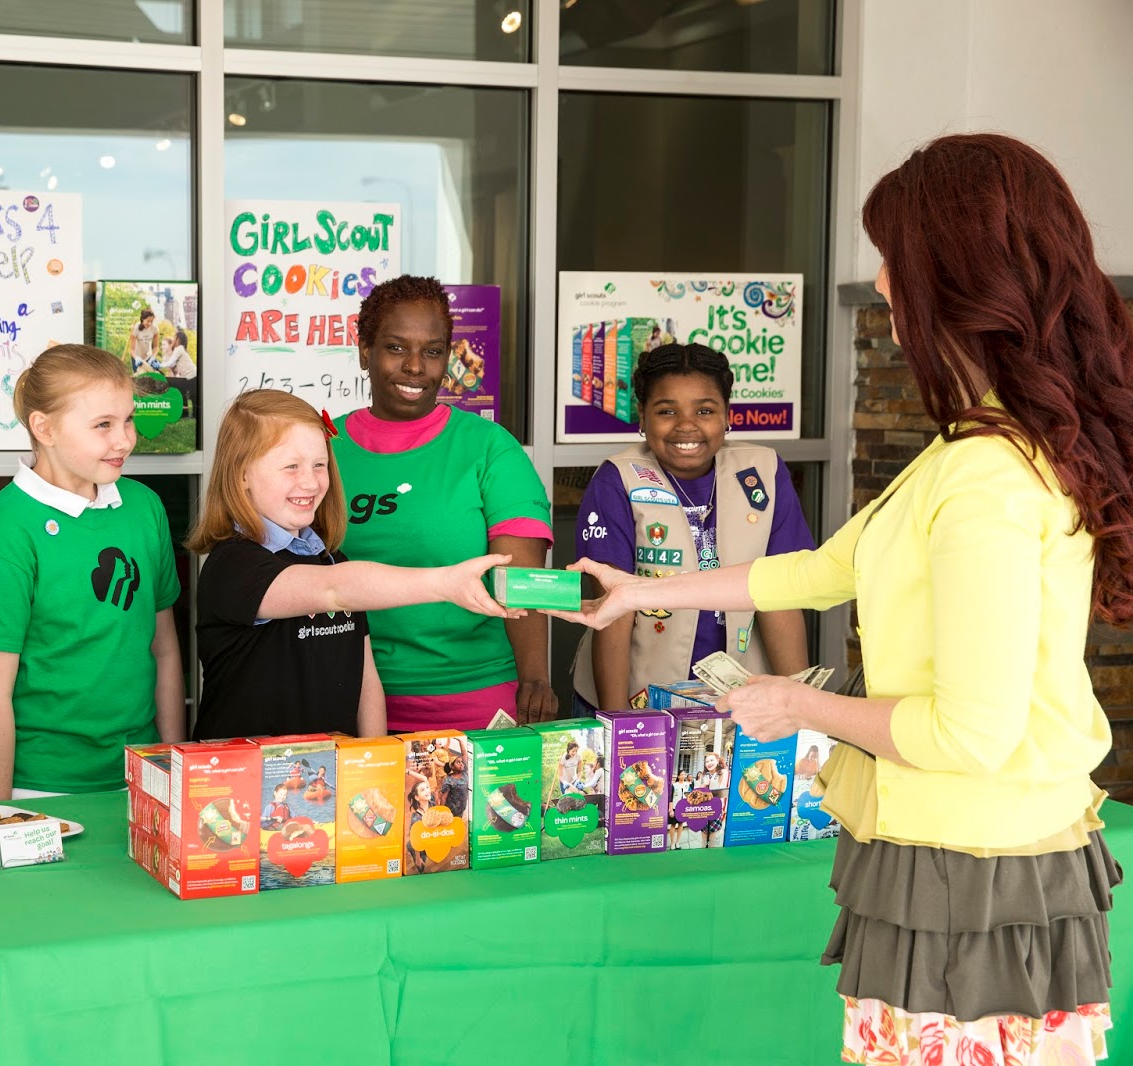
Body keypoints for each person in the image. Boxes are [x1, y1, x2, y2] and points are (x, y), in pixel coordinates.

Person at [550, 133, 1130, 1064]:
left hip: (974, 867)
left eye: (896, 262)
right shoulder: (965, 448)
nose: (887, 290)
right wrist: (637, 593)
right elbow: (817, 571)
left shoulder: (987, 478)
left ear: (954, 277)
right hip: (947, 846)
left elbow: (970, 734)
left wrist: (796, 705)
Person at [187, 389, 518, 740]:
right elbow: (335, 589)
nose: (311, 482)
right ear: (241, 476)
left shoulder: (332, 559)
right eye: (291, 467)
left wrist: (374, 761)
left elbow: (367, 681)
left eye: (320, 465)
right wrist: (444, 583)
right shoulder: (233, 565)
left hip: (332, 780)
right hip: (244, 781)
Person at [332, 275, 557, 731]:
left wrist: (535, 678)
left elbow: (522, 577)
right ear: (364, 351)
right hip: (345, 696)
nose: (415, 367)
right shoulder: (322, 448)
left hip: (474, 699)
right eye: (396, 348)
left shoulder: (490, 448)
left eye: (432, 351)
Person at [0, 345, 184, 800]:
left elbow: (164, 648)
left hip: (143, 776)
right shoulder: (4, 532)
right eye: (103, 425)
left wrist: (172, 764)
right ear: (44, 428)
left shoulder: (144, 507)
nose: (123, 439)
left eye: (127, 420)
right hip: (43, 787)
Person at [571, 342, 814, 712]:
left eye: (705, 410)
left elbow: (778, 597)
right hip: (638, 696)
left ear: (727, 416)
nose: (687, 425)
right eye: (666, 411)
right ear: (642, 417)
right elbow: (613, 614)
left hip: (740, 701)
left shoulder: (763, 472)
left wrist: (799, 709)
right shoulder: (617, 479)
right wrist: (616, 722)